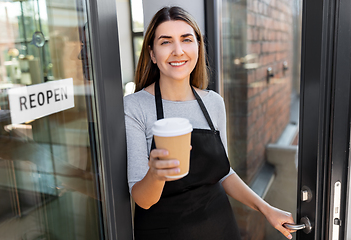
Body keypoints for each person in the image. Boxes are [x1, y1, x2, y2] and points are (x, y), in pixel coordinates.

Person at [124, 6, 295, 240]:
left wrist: (267, 209)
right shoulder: (135, 107)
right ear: (152, 53)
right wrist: (156, 174)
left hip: (220, 226)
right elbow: (142, 200)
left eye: (186, 39)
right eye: (166, 42)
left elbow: (224, 174)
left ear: (197, 47)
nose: (178, 50)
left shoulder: (213, 102)